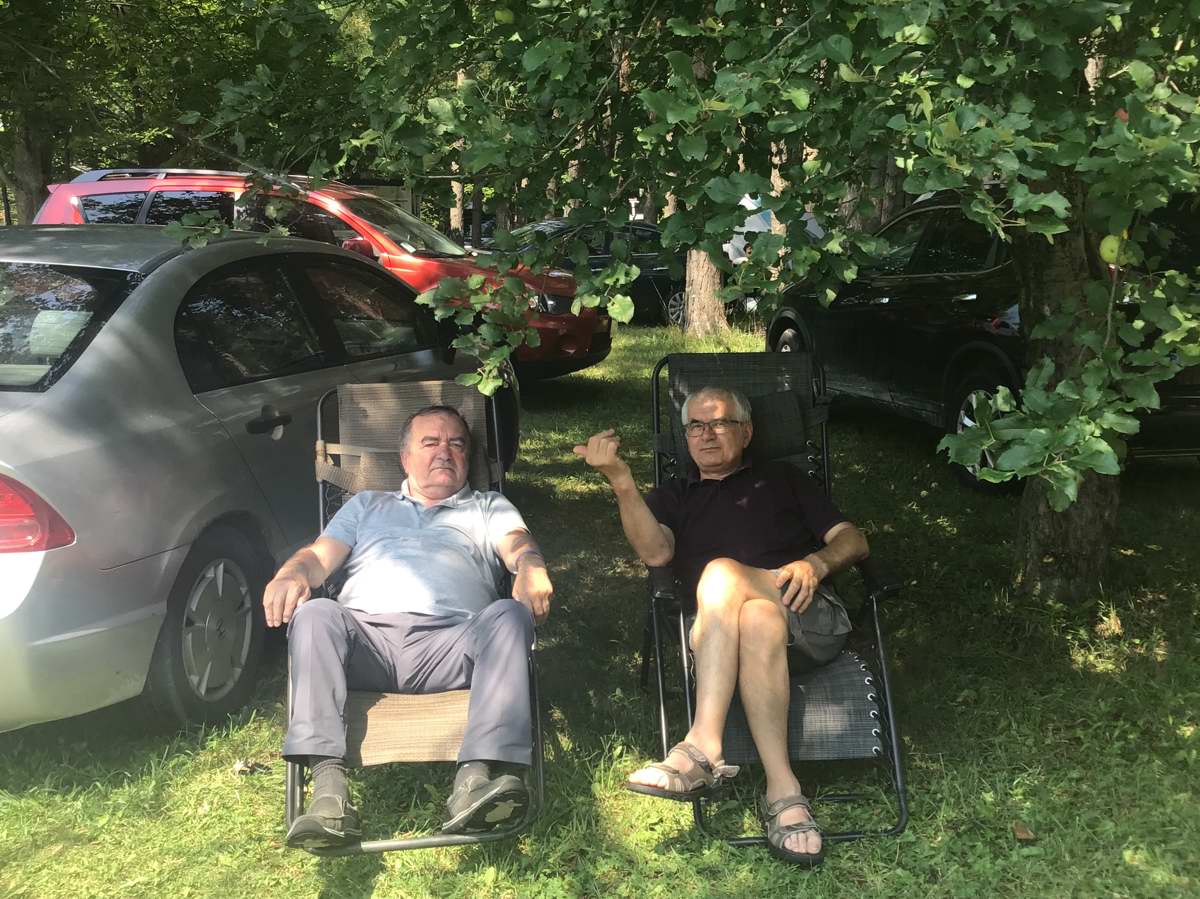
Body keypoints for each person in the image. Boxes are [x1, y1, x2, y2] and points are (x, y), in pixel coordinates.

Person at [574, 386, 869, 867]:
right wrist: (621, 481)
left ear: (746, 432)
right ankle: (784, 792)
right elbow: (656, 554)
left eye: (719, 423)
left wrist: (816, 564)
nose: (706, 434)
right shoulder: (674, 495)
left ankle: (702, 747)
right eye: (695, 426)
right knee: (755, 616)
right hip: (736, 632)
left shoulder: (784, 479)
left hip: (807, 615)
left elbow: (853, 540)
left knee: (719, 574)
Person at [266, 404, 553, 850]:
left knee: (508, 615)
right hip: (367, 643)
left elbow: (518, 544)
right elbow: (318, 557)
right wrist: (292, 574)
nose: (445, 452)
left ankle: (474, 782)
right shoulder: (367, 505)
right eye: (430, 442)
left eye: (457, 443)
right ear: (404, 459)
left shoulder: (487, 506)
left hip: (453, 646)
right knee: (316, 614)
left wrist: (531, 566)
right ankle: (328, 792)